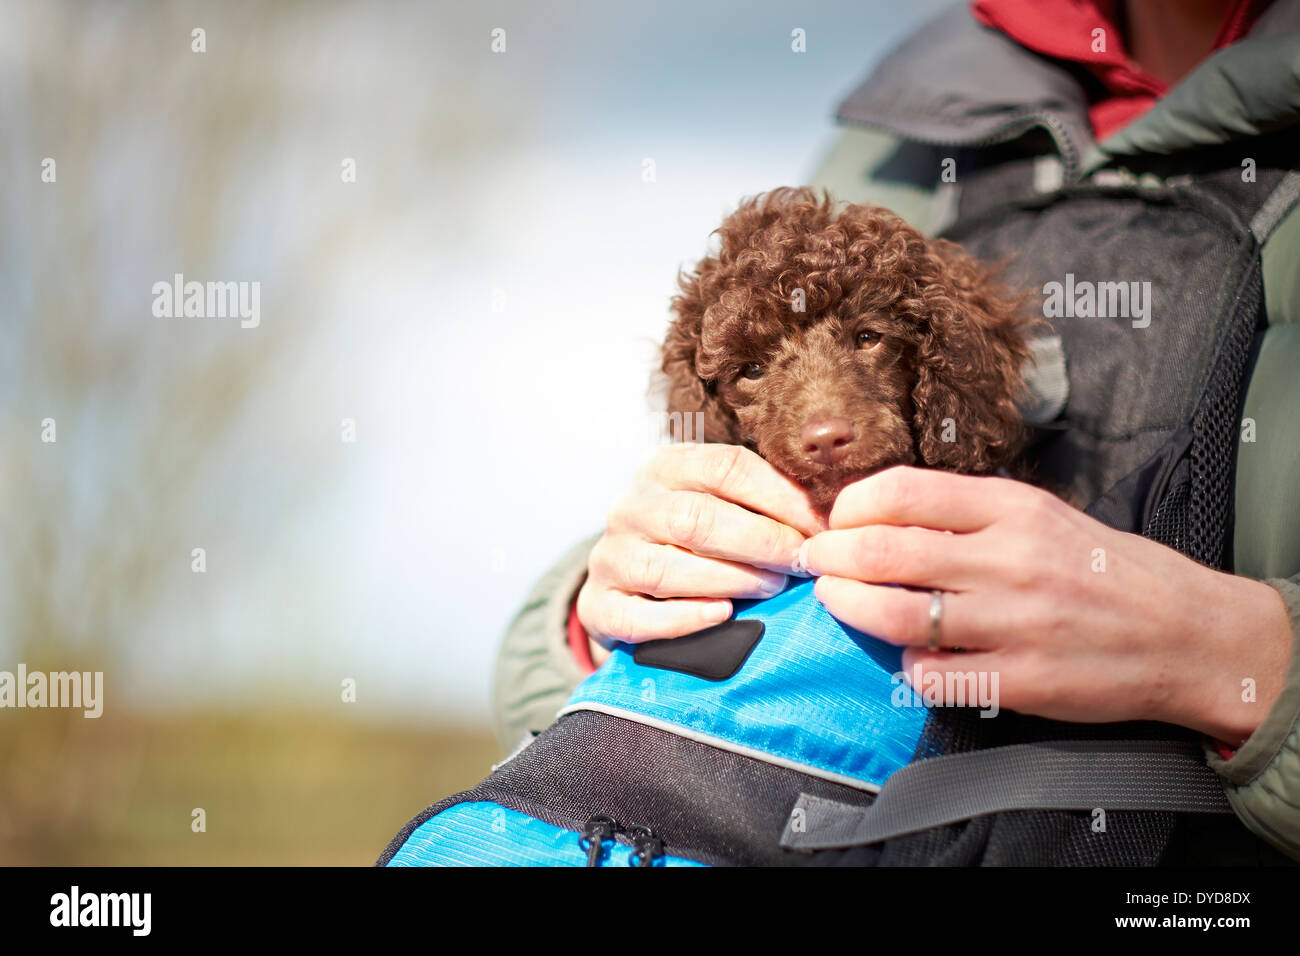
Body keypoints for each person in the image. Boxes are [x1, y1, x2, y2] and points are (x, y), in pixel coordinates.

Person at [492, 0, 1300, 860]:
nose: (822, 424)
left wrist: (1241, 662)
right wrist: (599, 615)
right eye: (757, 372)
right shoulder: (894, 128)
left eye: (869, 342)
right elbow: (559, 717)